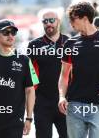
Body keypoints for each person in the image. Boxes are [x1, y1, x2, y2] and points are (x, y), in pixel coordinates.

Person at [58, 1, 99, 138]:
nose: (70, 23)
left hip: (98, 103)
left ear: (85, 18)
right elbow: (64, 75)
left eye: (73, 19)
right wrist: (62, 96)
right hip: (74, 104)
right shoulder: (70, 43)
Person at [27, 9, 68, 138]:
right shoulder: (34, 45)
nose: (48, 24)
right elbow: (29, 76)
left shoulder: (70, 43)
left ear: (59, 22)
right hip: (42, 102)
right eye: (45, 21)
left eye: (52, 20)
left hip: (65, 101)